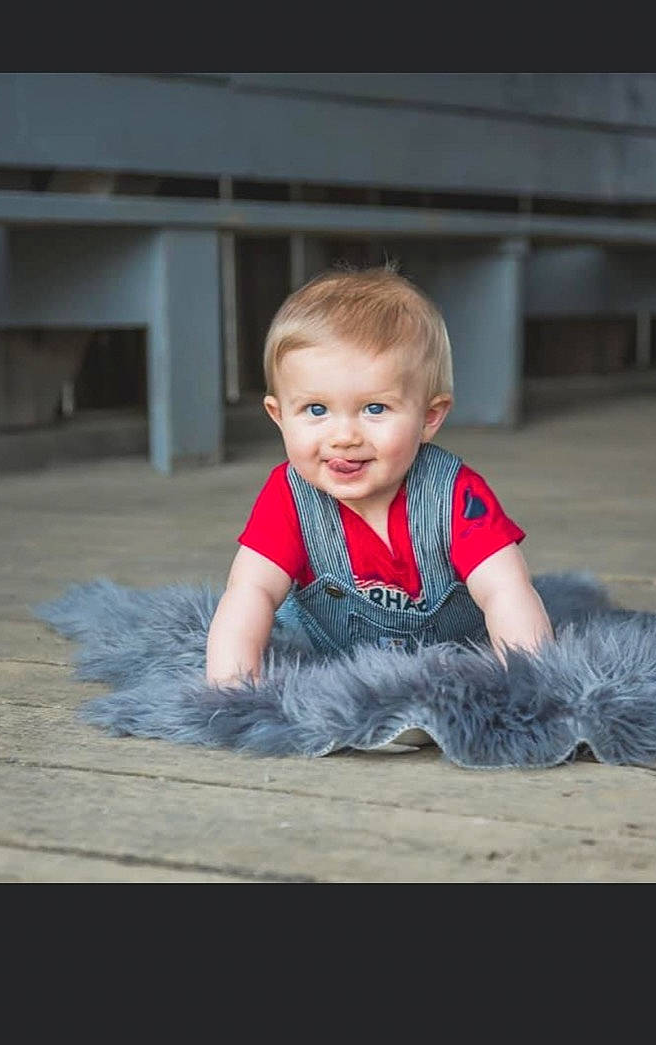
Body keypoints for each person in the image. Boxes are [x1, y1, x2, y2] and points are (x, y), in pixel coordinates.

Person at [205, 263, 555, 714]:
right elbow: (250, 590)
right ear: (278, 415)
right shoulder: (289, 497)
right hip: (335, 659)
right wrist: (231, 691)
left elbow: (506, 589)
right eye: (316, 410)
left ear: (430, 417)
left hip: (449, 657)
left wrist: (530, 685)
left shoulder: (453, 493)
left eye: (374, 408)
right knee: (275, 619)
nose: (344, 436)